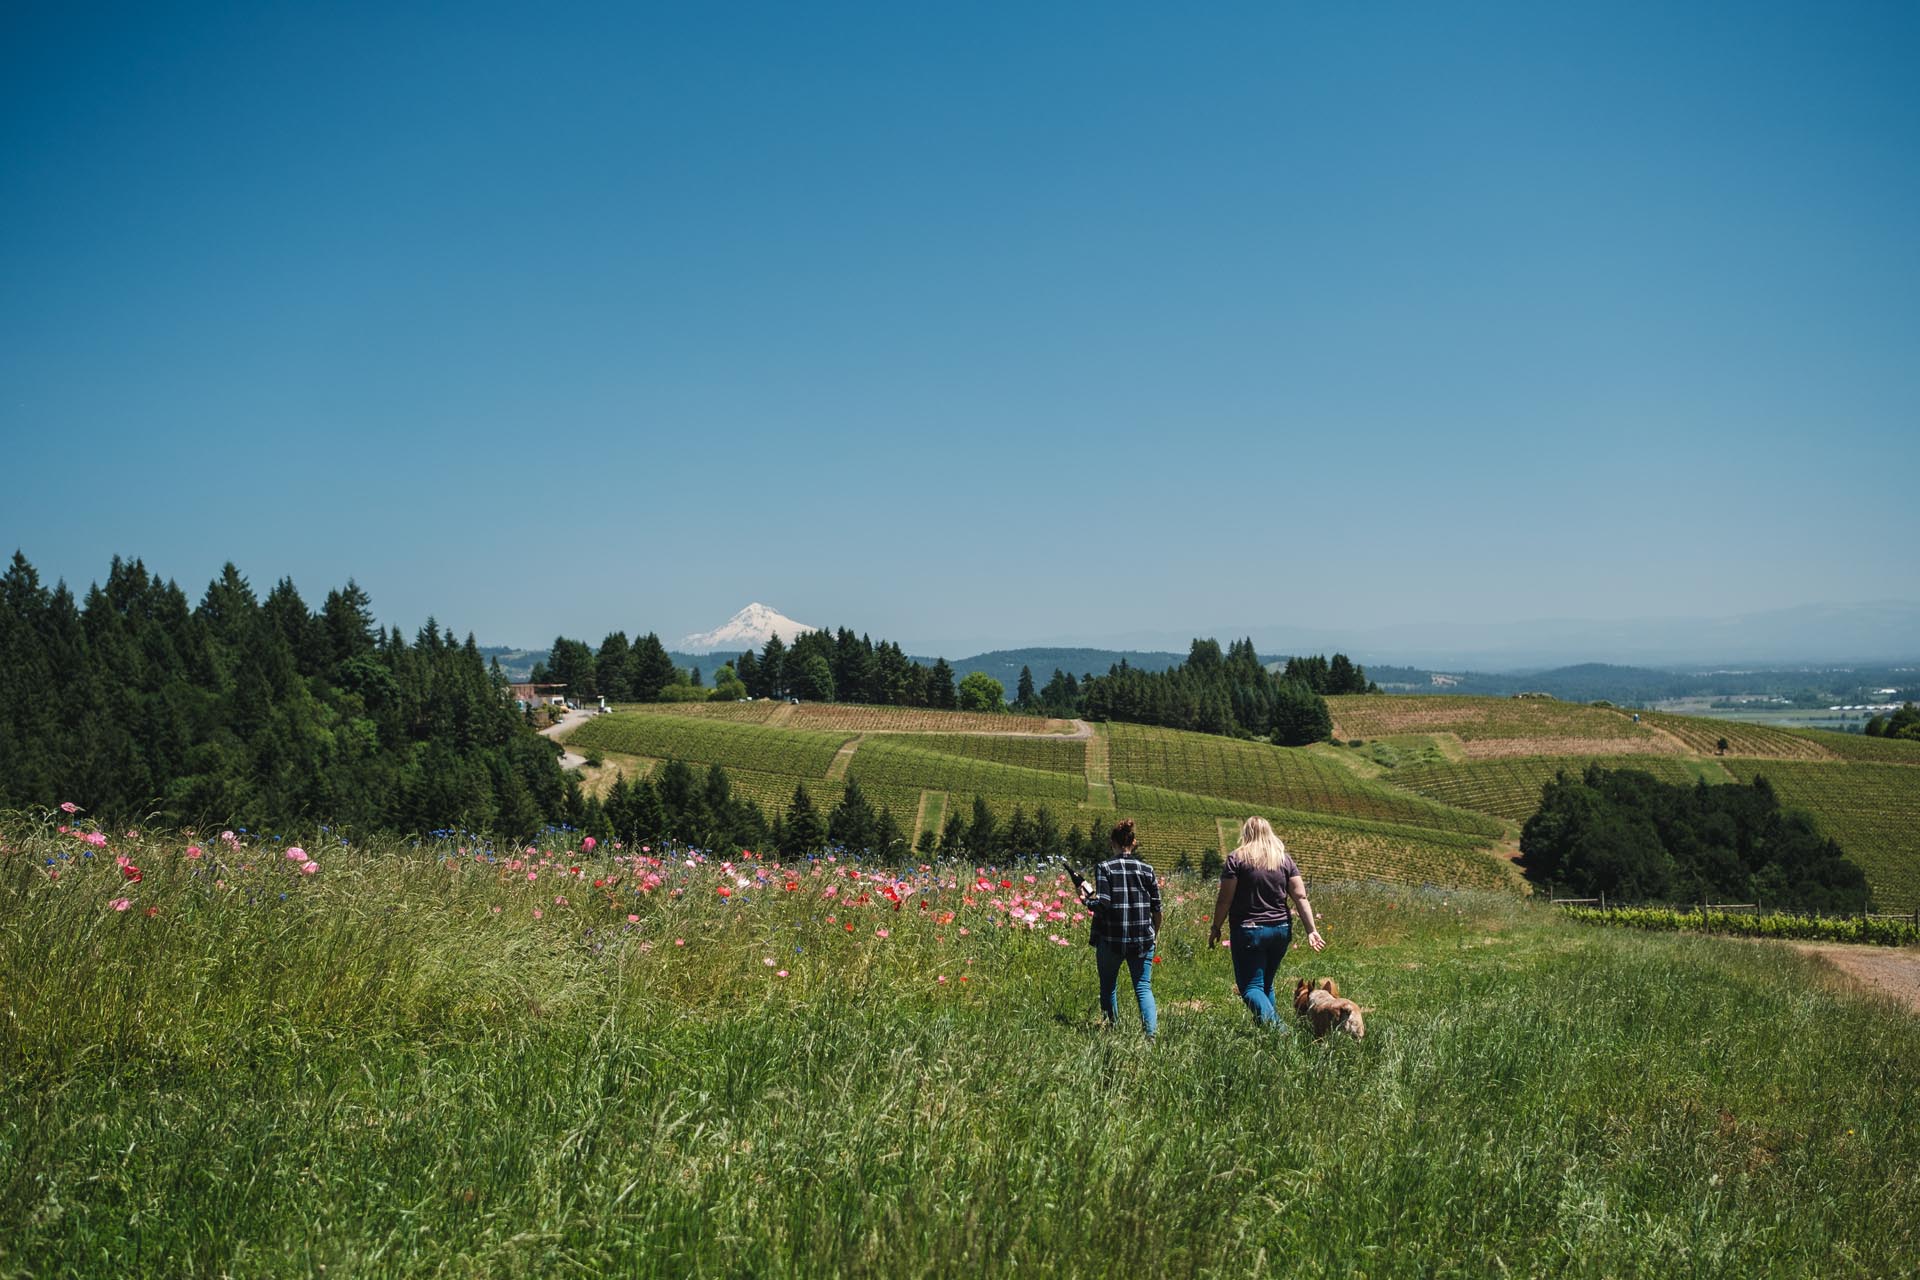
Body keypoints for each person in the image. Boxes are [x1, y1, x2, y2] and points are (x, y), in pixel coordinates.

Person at [1208, 816, 1325, 1025]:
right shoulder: (1283, 859)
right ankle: (1267, 1032)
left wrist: (1216, 926)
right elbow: (1300, 897)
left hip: (1249, 930)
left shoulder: (1237, 859)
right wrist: (1311, 929)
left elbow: (1225, 899)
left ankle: (1280, 1031)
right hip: (1280, 930)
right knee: (1266, 985)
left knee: (1250, 988)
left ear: (1246, 833)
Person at [1080, 818, 1162, 1040]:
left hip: (1111, 939)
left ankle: (1112, 1029)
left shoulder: (1104, 868)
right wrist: (1155, 933)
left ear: (1112, 843)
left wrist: (1086, 901)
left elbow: (1104, 903)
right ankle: (1151, 1036)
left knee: (1108, 986)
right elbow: (1157, 908)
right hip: (1142, 940)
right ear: (1133, 842)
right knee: (1143, 988)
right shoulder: (1147, 869)